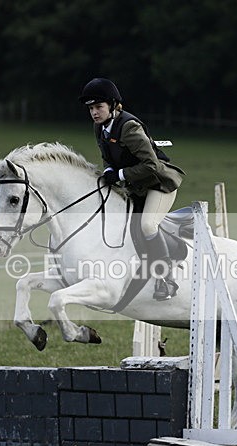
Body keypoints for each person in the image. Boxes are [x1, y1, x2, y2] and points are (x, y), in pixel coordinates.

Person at [78, 77, 185, 300]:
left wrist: (119, 175)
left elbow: (151, 165)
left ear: (112, 105)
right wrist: (109, 170)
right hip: (136, 186)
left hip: (159, 184)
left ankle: (167, 279)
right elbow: (108, 157)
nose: (94, 113)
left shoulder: (129, 127)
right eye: (91, 108)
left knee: (147, 225)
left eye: (98, 107)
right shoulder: (100, 127)